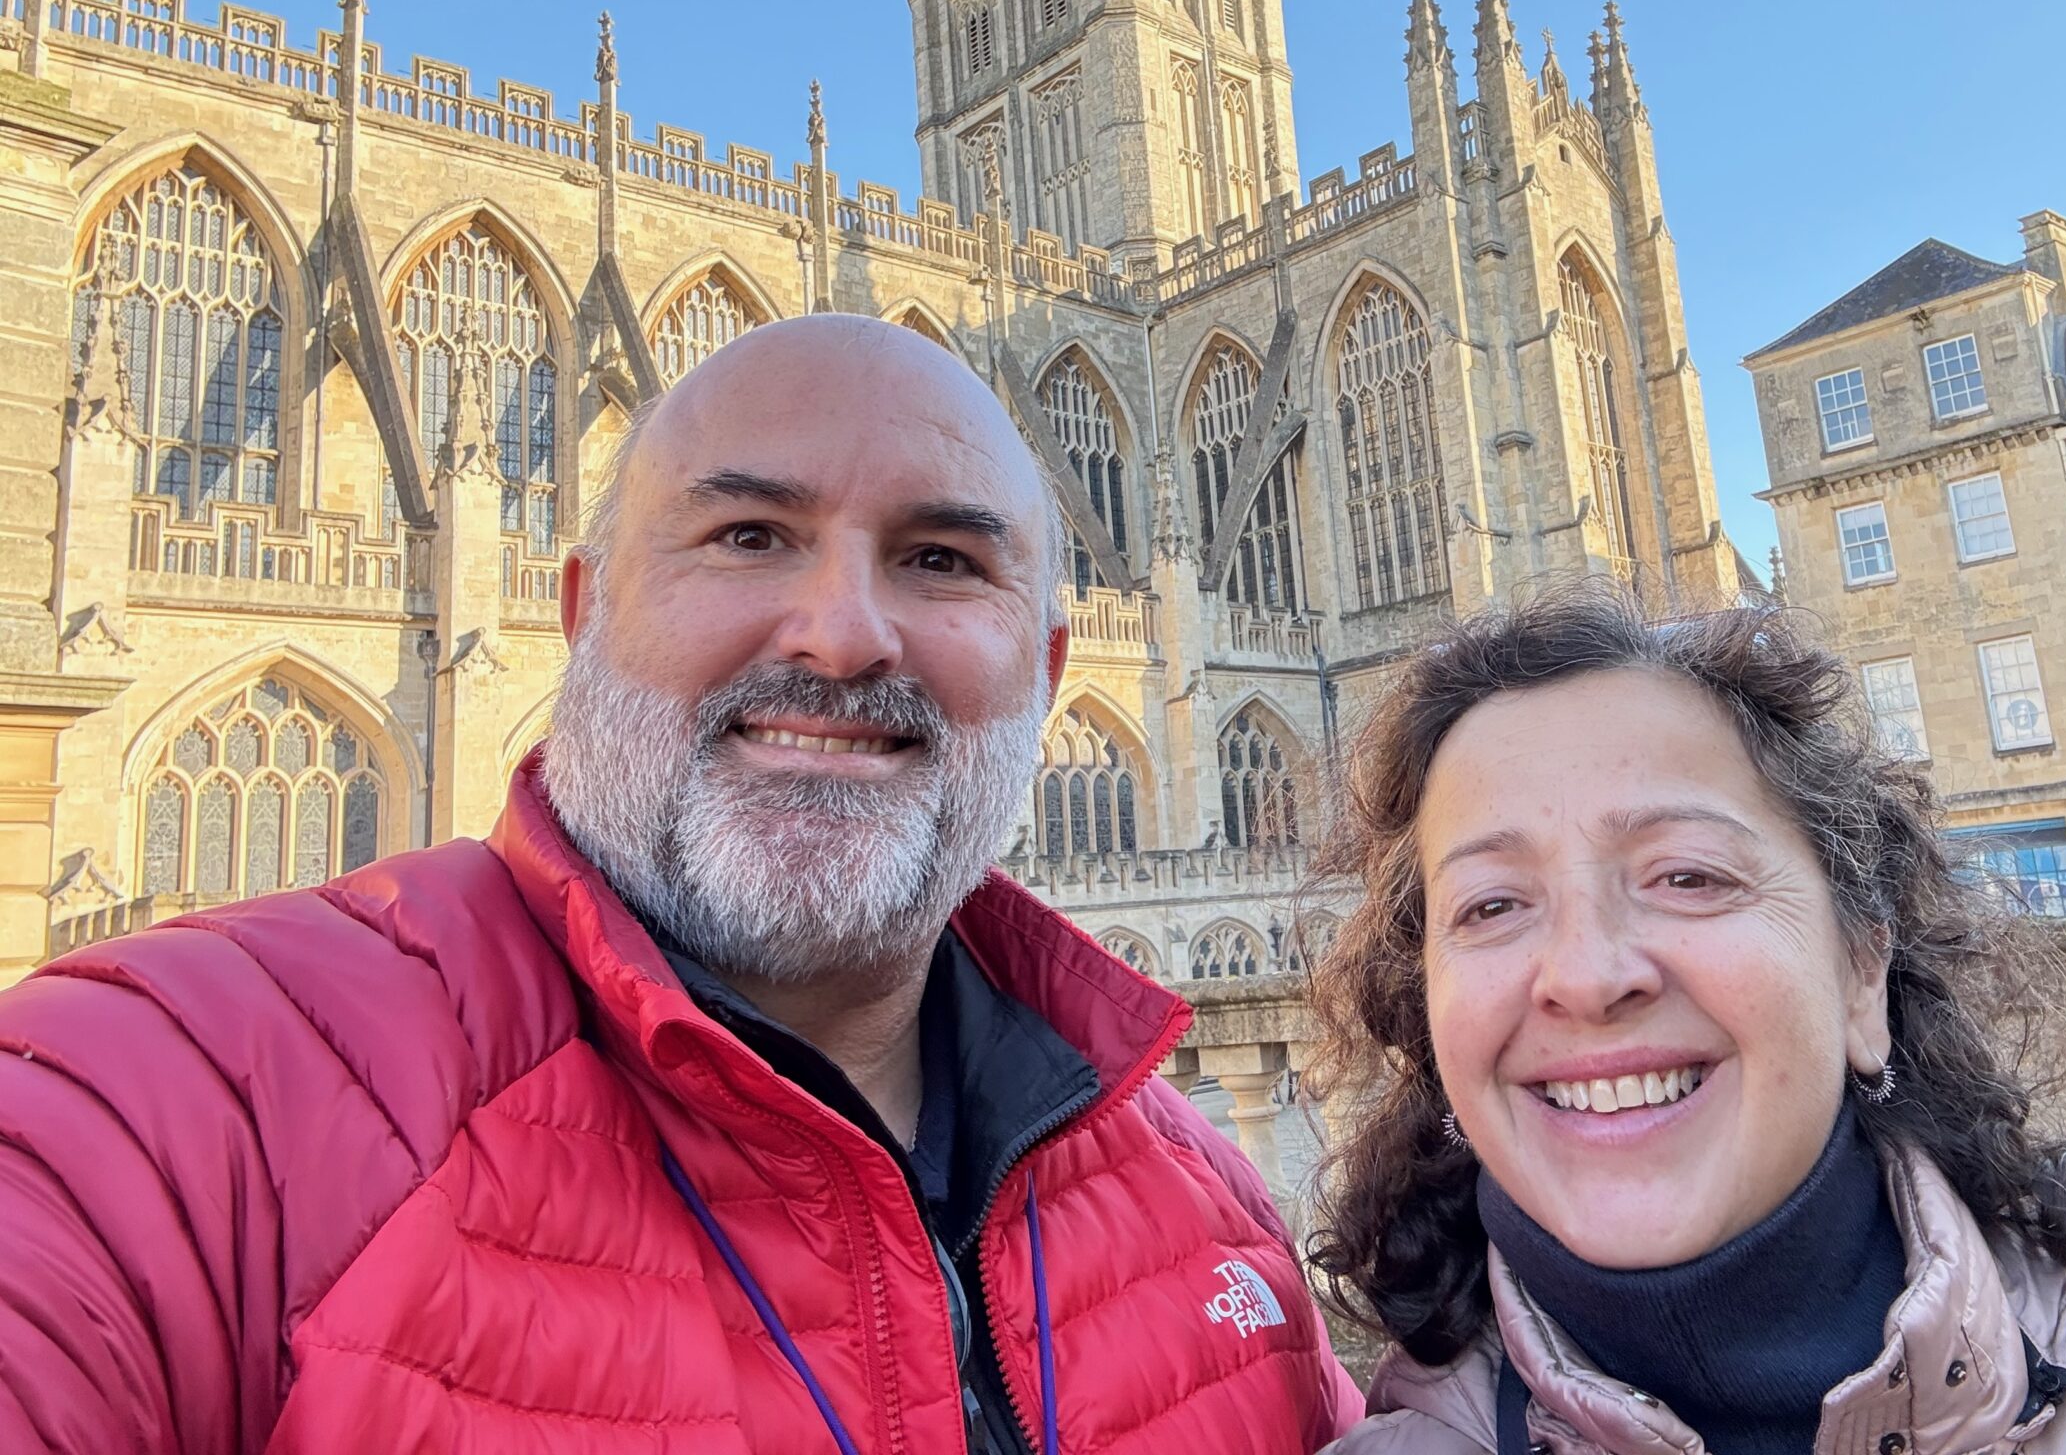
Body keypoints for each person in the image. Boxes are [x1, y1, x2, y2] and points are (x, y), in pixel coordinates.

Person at [0, 315, 1361, 1455]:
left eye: (941, 559)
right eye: (749, 536)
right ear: (578, 611)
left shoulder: (1212, 1214)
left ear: (1052, 675)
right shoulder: (185, 1095)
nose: (841, 635)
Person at [1305, 586, 2066, 1455]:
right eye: (1493, 904)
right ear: (1431, 1019)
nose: (1587, 975)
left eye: (1688, 876)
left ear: (1863, 973)